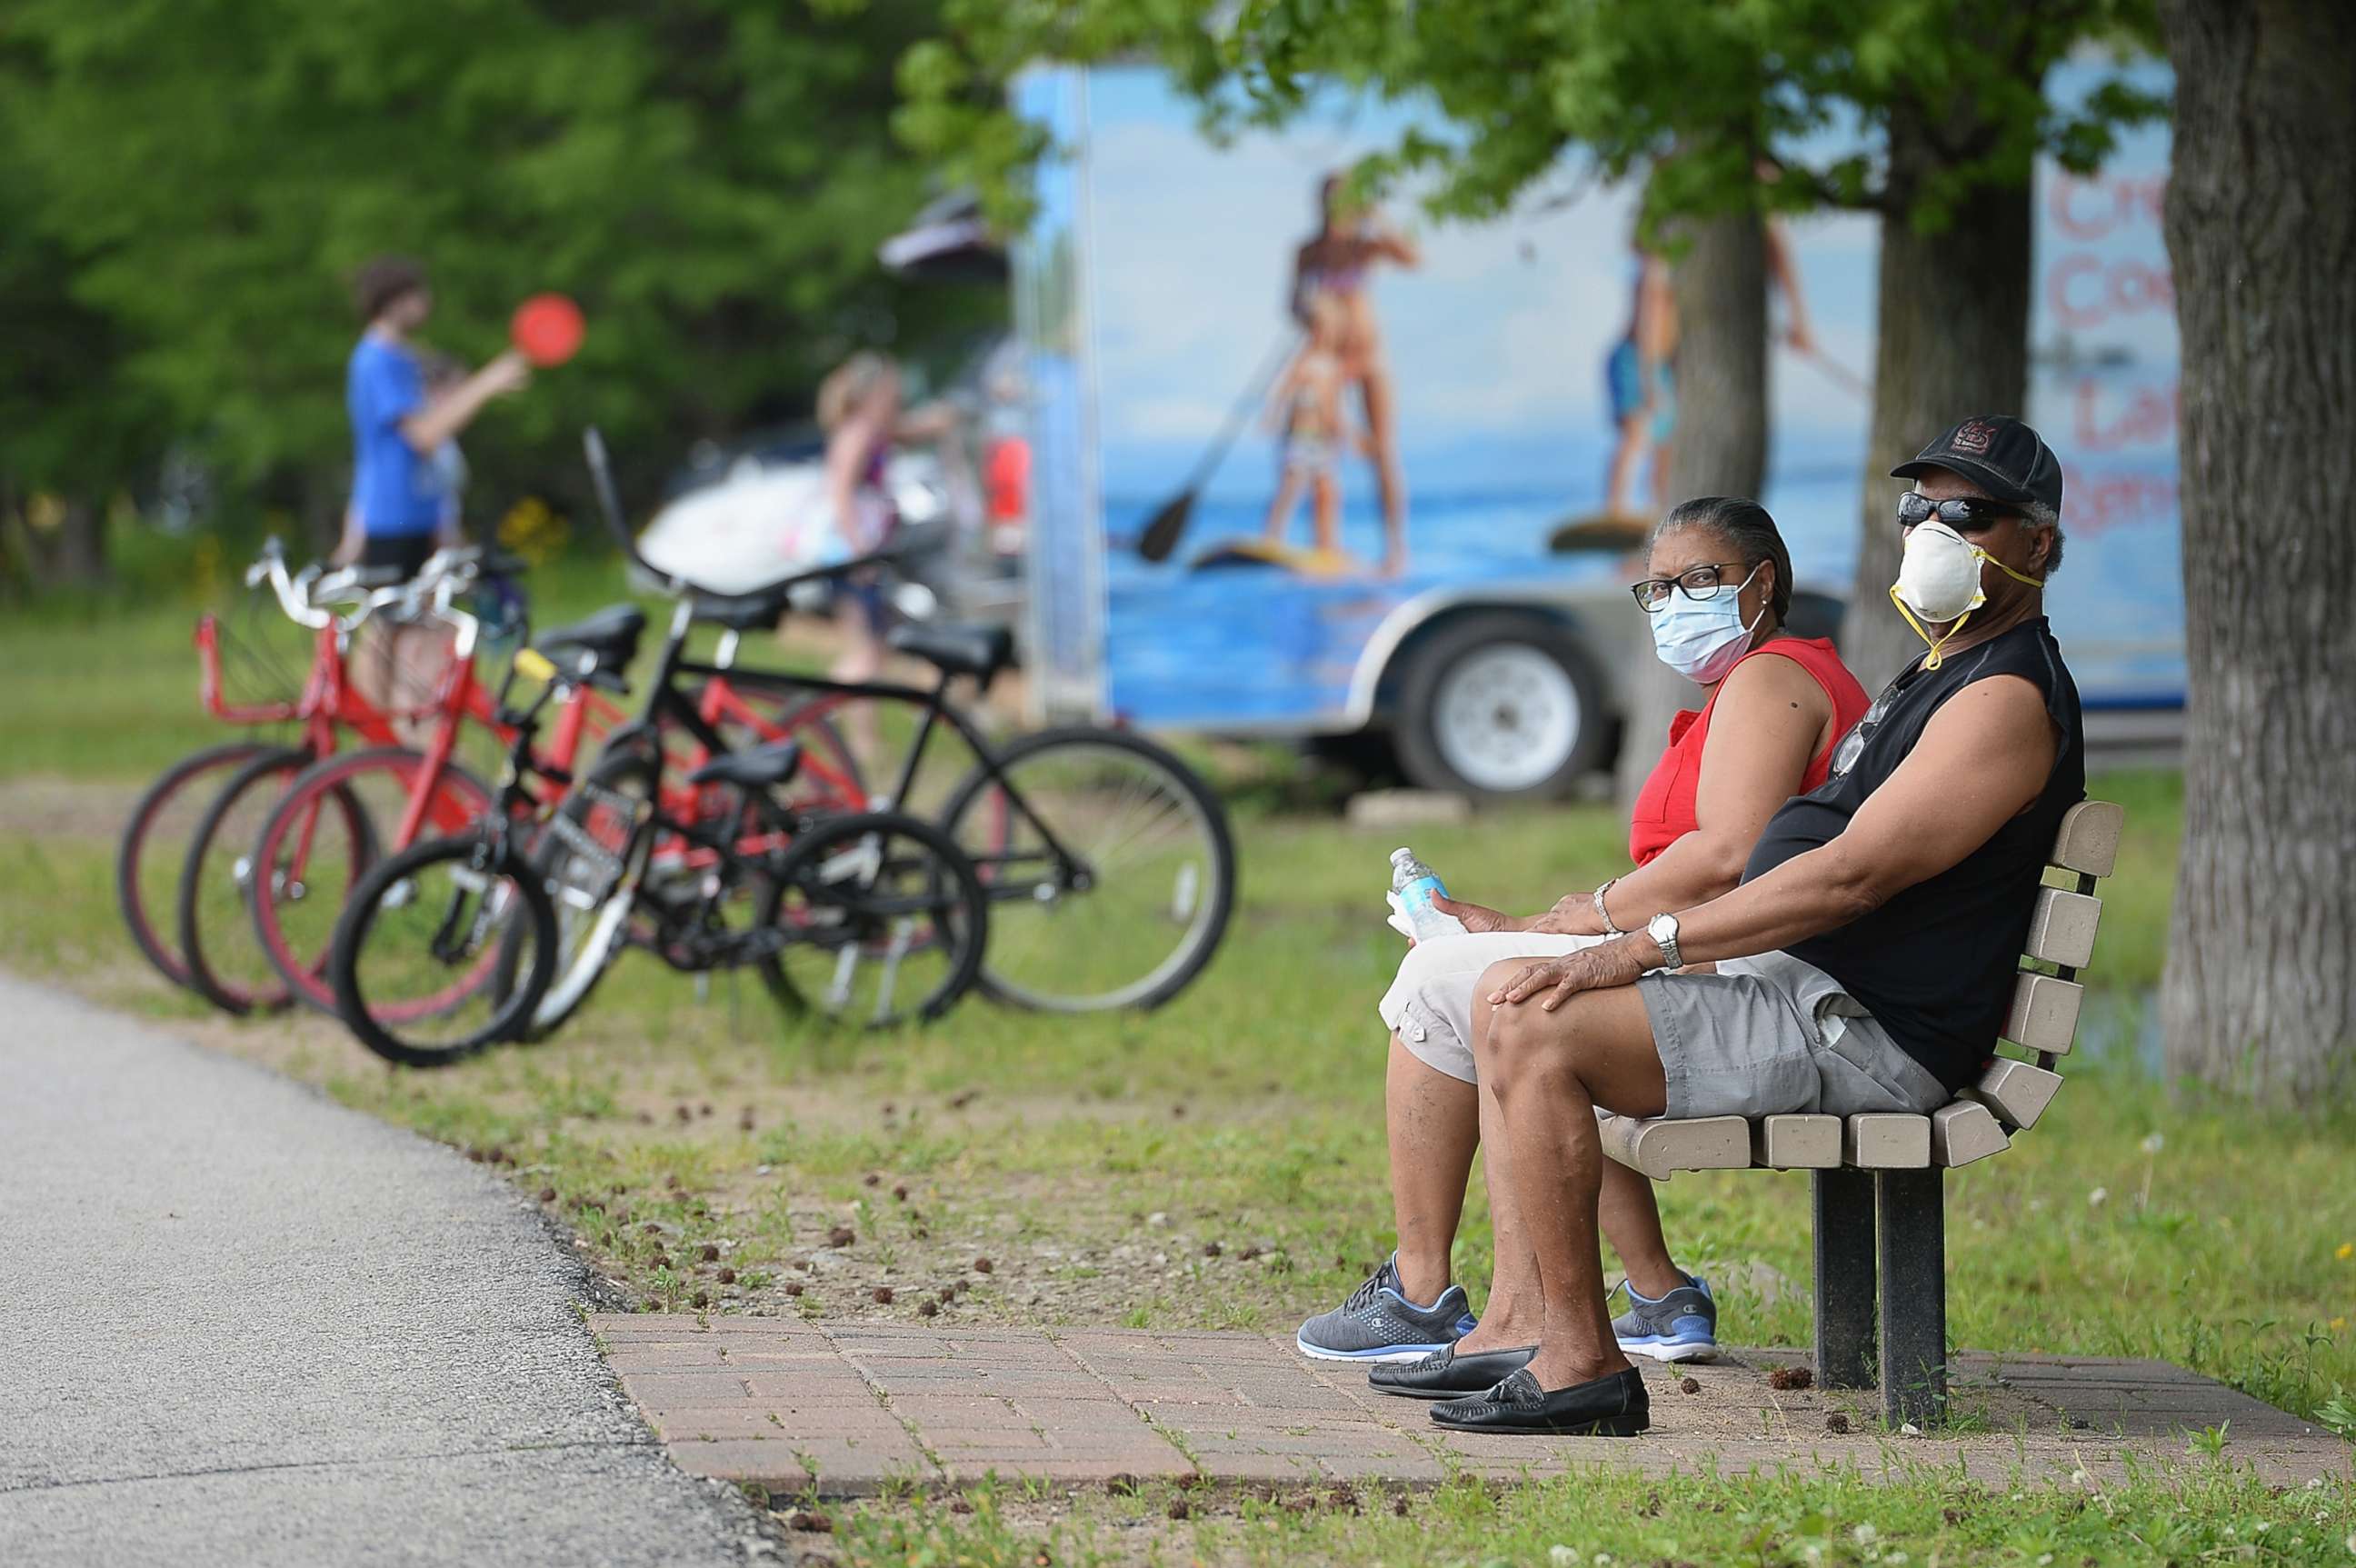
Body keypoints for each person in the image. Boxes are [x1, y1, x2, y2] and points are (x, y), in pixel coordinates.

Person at [1423, 416, 2078, 1437]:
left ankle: (1579, 1361)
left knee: (1532, 1025)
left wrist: (1640, 947)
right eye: (1920, 509)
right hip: (1808, 994)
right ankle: (1539, 1332)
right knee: (1511, 997)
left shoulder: (2002, 696)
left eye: (1968, 515)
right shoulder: (1944, 671)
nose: (1933, 532)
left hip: (1865, 1030)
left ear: (2038, 545)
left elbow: (1850, 877)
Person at [1294, 499, 1871, 1379]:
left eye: (1700, 580)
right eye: (1660, 587)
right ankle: (1652, 1290)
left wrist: (1572, 920)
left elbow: (1726, 855)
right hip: (1711, 954)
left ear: (1764, 583)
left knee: (1442, 982)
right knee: (1495, 980)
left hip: (1746, 972)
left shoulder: (1772, 677)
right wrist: (1547, 925)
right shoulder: (1752, 686)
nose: (1676, 601)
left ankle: (1423, 1293)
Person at [342, 256, 528, 724]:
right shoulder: (376, 360)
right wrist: (485, 384)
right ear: (393, 301)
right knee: (384, 628)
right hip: (394, 517)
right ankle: (372, 732)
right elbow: (424, 435)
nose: (426, 303)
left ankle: (404, 728)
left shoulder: (400, 358)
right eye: (416, 295)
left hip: (419, 516)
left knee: (416, 628)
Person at [812, 351, 956, 764]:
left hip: (862, 551)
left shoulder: (874, 430)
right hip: (851, 554)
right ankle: (852, 736)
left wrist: (948, 417)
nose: (897, 396)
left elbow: (912, 430)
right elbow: (839, 493)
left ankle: (837, 723)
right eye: (891, 390)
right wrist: (858, 551)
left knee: (876, 647)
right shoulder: (857, 434)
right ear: (872, 393)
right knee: (865, 652)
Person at [1291, 175, 1419, 575]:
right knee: (1323, 454)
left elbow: (1410, 258)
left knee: (1383, 452)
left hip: (1370, 357)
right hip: (1328, 359)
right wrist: (1311, 313)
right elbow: (1291, 303)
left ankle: (1396, 548)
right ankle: (1327, 547)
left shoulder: (1364, 247)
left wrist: (1376, 216)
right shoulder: (1308, 252)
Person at [1259, 288, 1360, 556]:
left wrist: (1347, 434)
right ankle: (1272, 538)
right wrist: (1271, 415)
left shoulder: (1335, 365)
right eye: (1318, 328)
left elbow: (1338, 405)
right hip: (1300, 435)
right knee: (1291, 487)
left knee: (1328, 493)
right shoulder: (1304, 361)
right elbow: (1283, 391)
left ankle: (1327, 544)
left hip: (1325, 440)